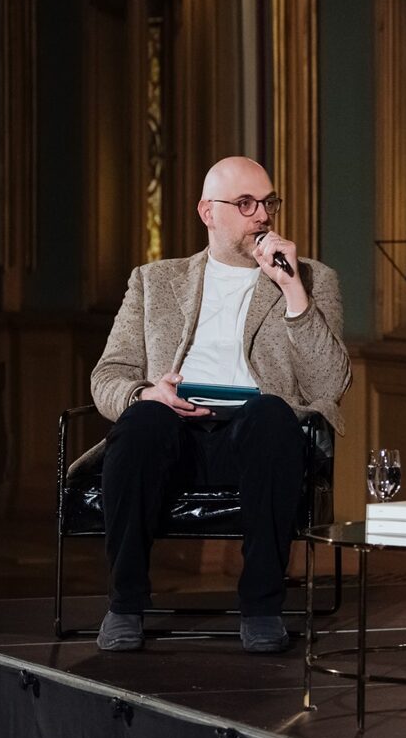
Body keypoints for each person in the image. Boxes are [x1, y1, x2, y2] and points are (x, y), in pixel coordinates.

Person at [88, 156, 350, 654]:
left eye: (268, 203)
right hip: (173, 433)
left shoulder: (311, 279)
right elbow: (108, 375)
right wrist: (146, 393)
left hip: (256, 438)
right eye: (246, 204)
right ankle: (124, 605)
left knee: (270, 414)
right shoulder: (154, 281)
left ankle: (262, 607)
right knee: (143, 420)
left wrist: (292, 290)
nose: (263, 216)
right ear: (208, 212)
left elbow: (330, 384)